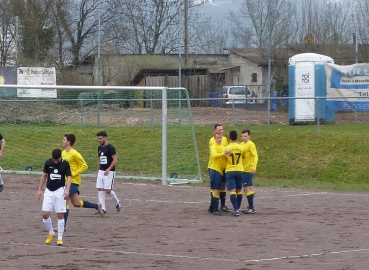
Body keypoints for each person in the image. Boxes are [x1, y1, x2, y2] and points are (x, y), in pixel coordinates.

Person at [61, 134, 103, 230]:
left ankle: (63, 226)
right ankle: (96, 206)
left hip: (74, 181)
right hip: (64, 182)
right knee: (76, 203)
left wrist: (73, 173)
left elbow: (84, 166)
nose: (62, 141)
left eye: (64, 139)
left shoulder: (75, 153)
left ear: (68, 142)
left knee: (64, 201)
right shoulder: (62, 153)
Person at [37, 148, 71, 246]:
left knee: (60, 214)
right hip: (49, 190)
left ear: (61, 157)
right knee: (45, 214)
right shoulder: (48, 163)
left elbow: (69, 177)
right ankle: (51, 232)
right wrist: (39, 189)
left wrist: (67, 190)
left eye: (57, 160)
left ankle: (60, 238)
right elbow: (44, 176)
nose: (55, 162)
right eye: (54, 160)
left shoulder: (65, 164)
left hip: (60, 190)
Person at [96, 131, 121, 215]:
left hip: (109, 172)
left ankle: (117, 202)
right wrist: (97, 171)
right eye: (98, 138)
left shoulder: (111, 148)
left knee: (107, 190)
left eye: (100, 138)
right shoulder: (99, 148)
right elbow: (99, 160)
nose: (99, 140)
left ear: (105, 138)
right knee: (100, 189)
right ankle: (102, 208)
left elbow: (115, 159)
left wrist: (109, 169)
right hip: (101, 171)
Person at [207, 124, 230, 213]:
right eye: (219, 130)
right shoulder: (213, 143)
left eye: (222, 130)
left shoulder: (224, 141)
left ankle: (216, 207)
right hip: (214, 167)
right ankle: (214, 208)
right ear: (215, 134)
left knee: (221, 186)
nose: (221, 132)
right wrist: (224, 153)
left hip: (221, 168)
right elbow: (214, 155)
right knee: (215, 188)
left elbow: (227, 151)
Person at [224, 131, 245, 216]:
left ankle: (236, 209)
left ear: (229, 137)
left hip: (230, 170)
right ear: (237, 138)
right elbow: (243, 157)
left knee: (232, 191)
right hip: (239, 170)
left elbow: (225, 158)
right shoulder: (241, 147)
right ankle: (238, 208)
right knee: (239, 190)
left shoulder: (227, 148)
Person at [240, 129, 258, 214]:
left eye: (245, 136)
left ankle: (252, 208)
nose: (243, 138)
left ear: (249, 136)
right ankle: (251, 206)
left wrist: (253, 166)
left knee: (245, 187)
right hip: (242, 169)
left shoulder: (251, 144)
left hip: (248, 169)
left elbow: (255, 156)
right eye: (242, 136)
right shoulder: (241, 144)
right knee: (250, 187)